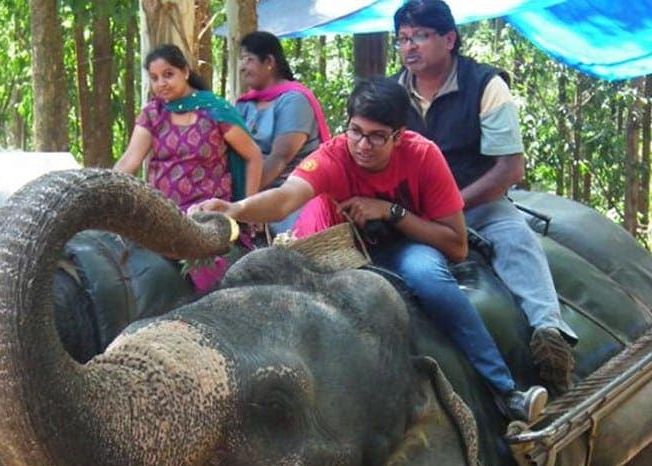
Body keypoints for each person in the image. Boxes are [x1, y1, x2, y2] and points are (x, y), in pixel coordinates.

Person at [193, 76, 547, 423]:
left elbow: (456, 246)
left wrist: (391, 212)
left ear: (399, 135)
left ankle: (504, 390)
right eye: (356, 131)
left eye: (378, 137)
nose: (363, 145)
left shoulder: (424, 157)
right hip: (339, 250)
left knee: (429, 277)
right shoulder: (333, 156)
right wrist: (236, 209)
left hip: (409, 245)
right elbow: (287, 198)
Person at [392, 0, 577, 394]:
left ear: (449, 39)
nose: (410, 47)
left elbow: (509, 169)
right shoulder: (392, 94)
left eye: (421, 36)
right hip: (414, 215)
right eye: (403, 39)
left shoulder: (485, 85)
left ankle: (549, 335)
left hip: (477, 203)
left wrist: (452, 204)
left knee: (515, 239)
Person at [114, 44, 262, 291]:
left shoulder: (215, 111)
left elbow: (253, 155)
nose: (161, 83)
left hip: (207, 216)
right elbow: (130, 161)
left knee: (211, 284)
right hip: (163, 215)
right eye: (154, 78)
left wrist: (248, 210)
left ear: (185, 71)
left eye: (168, 74)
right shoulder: (153, 114)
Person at [235, 31, 331, 234]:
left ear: (269, 61)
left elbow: (280, 158)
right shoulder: (244, 104)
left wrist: (245, 203)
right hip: (249, 192)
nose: (242, 67)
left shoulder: (293, 100)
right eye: (241, 60)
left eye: (248, 59)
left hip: (289, 195)